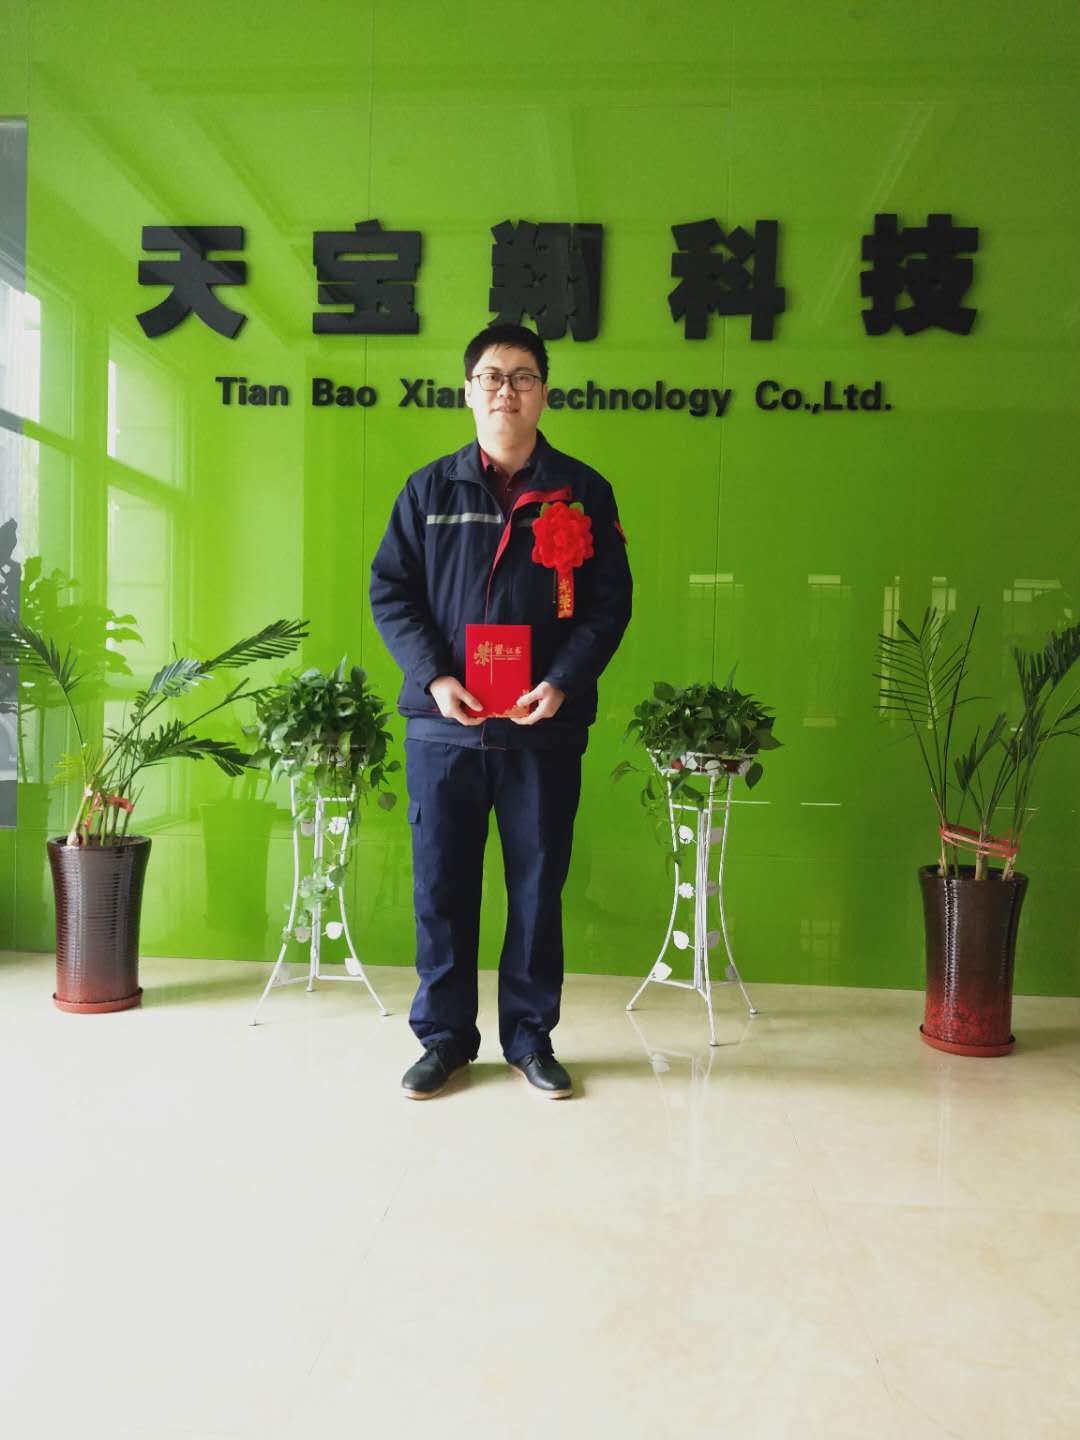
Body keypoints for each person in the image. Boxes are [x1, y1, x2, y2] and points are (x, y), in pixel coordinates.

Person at [369, 322, 632, 1100]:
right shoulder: (428, 491)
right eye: (490, 376)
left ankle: (529, 1037)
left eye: (522, 377)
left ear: (544, 392)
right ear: (468, 392)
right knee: (441, 890)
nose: (505, 391)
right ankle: (444, 1039)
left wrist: (562, 682)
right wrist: (433, 677)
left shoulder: (583, 492)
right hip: (443, 729)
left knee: (538, 888)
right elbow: (391, 592)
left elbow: (608, 605)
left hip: (540, 728)